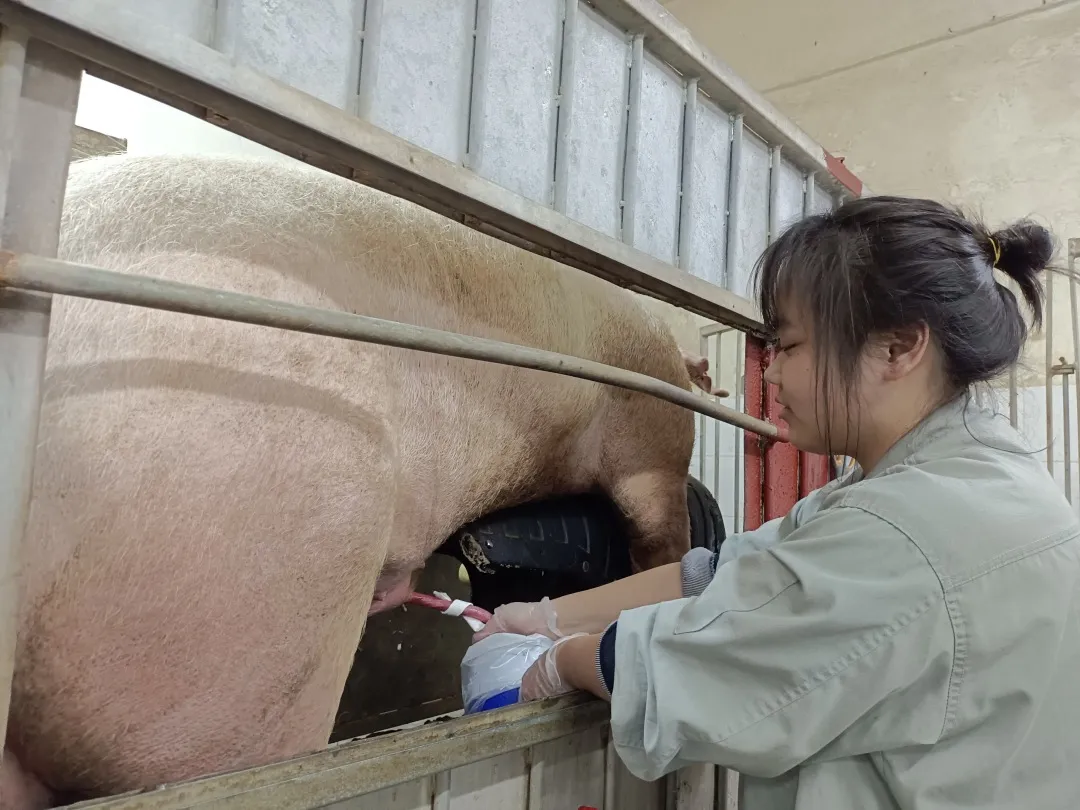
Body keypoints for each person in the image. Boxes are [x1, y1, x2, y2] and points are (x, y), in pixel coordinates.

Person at [471, 197, 1080, 809]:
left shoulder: (908, 532)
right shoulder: (969, 472)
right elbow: (725, 572)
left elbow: (699, 670)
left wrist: (552, 663)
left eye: (789, 346)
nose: (772, 376)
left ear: (897, 349)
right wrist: (540, 616)